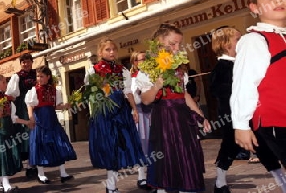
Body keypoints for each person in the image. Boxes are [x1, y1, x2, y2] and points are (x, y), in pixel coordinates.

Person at [137, 23, 211, 193]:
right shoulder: (149, 69)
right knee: (168, 157)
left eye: (179, 44)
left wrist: (200, 115)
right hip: (164, 119)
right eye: (173, 43)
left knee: (188, 156)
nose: (177, 48)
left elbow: (184, 95)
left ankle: (186, 187)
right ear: (159, 42)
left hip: (184, 117)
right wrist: (156, 86)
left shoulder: (179, 68)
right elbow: (146, 100)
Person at [230, 0, 286, 191]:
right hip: (277, 121)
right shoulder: (254, 40)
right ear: (254, 8)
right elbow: (244, 83)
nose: (278, 0)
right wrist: (241, 125)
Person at [87, 38, 145, 193]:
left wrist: (134, 109)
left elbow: (128, 92)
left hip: (122, 113)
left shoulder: (122, 70)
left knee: (123, 146)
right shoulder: (94, 70)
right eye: (108, 49)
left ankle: (115, 185)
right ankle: (111, 187)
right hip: (105, 114)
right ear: (100, 52)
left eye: (113, 49)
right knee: (110, 148)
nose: (112, 52)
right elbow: (90, 94)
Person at [25, 65, 77, 185]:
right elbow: (30, 105)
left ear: (48, 77)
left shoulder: (55, 90)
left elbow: (55, 106)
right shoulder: (34, 91)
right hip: (40, 121)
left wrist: (65, 106)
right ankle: (41, 174)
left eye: (42, 76)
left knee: (59, 145)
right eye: (37, 76)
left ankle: (63, 173)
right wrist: (31, 118)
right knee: (40, 146)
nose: (39, 78)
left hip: (52, 121)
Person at [0, 74, 28, 192]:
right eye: (3, 82)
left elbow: (13, 118)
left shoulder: (7, 99)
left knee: (4, 155)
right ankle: (6, 184)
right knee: (1, 155)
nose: (6, 84)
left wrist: (27, 122)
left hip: (8, 130)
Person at [209, 26, 242, 193]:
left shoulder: (241, 62)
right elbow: (217, 89)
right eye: (237, 39)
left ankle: (278, 174)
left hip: (248, 111)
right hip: (231, 114)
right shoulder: (222, 67)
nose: (241, 41)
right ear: (226, 44)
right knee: (230, 145)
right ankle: (220, 180)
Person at [5, 53, 37, 177]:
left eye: (28, 61)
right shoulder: (16, 77)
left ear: (32, 62)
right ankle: (29, 165)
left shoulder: (36, 74)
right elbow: (11, 95)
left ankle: (34, 163)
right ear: (20, 64)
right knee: (26, 134)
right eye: (23, 62)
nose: (26, 64)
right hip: (23, 106)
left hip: (36, 104)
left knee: (35, 133)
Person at [130, 51, 152, 190]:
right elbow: (134, 98)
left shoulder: (153, 75)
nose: (144, 61)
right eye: (141, 59)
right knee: (142, 143)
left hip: (153, 112)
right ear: (135, 63)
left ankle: (154, 174)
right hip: (141, 113)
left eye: (146, 59)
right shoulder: (133, 78)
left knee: (153, 143)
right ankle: (141, 176)